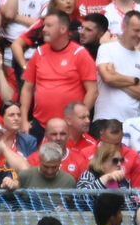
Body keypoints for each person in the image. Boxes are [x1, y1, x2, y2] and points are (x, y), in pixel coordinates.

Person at [20, 11, 97, 139]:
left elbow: (93, 91)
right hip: (40, 125)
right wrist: (24, 120)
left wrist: (79, 119)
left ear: (62, 29)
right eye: (44, 26)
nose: (44, 29)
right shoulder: (39, 52)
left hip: (69, 128)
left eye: (49, 26)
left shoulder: (80, 53)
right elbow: (27, 89)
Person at [94, 10, 140, 123]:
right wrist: (136, 81)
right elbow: (107, 78)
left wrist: (116, 77)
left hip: (132, 123)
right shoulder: (106, 49)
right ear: (124, 26)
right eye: (136, 30)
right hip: (106, 118)